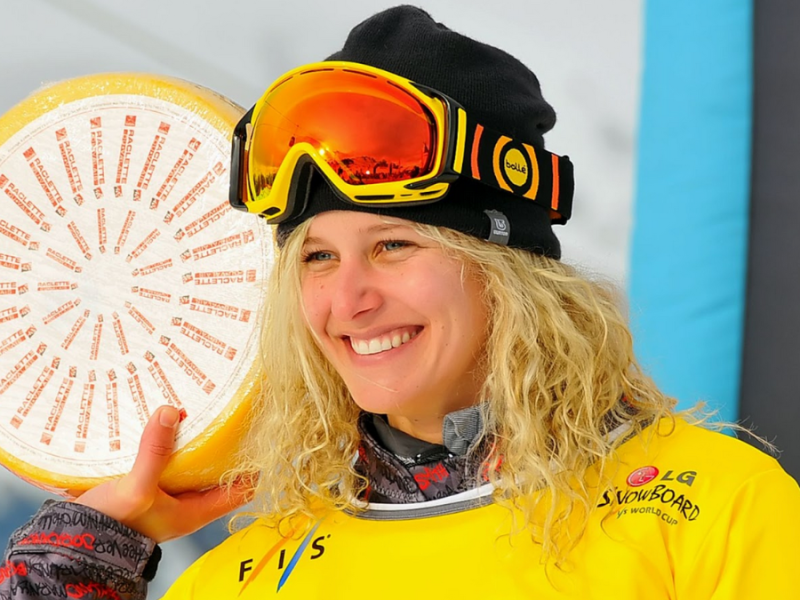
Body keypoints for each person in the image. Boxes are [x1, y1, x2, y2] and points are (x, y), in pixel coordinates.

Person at [4, 5, 800, 599]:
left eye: (394, 246)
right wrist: (78, 561)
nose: (347, 300)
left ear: (509, 271)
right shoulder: (244, 574)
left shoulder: (710, 506)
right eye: (316, 258)